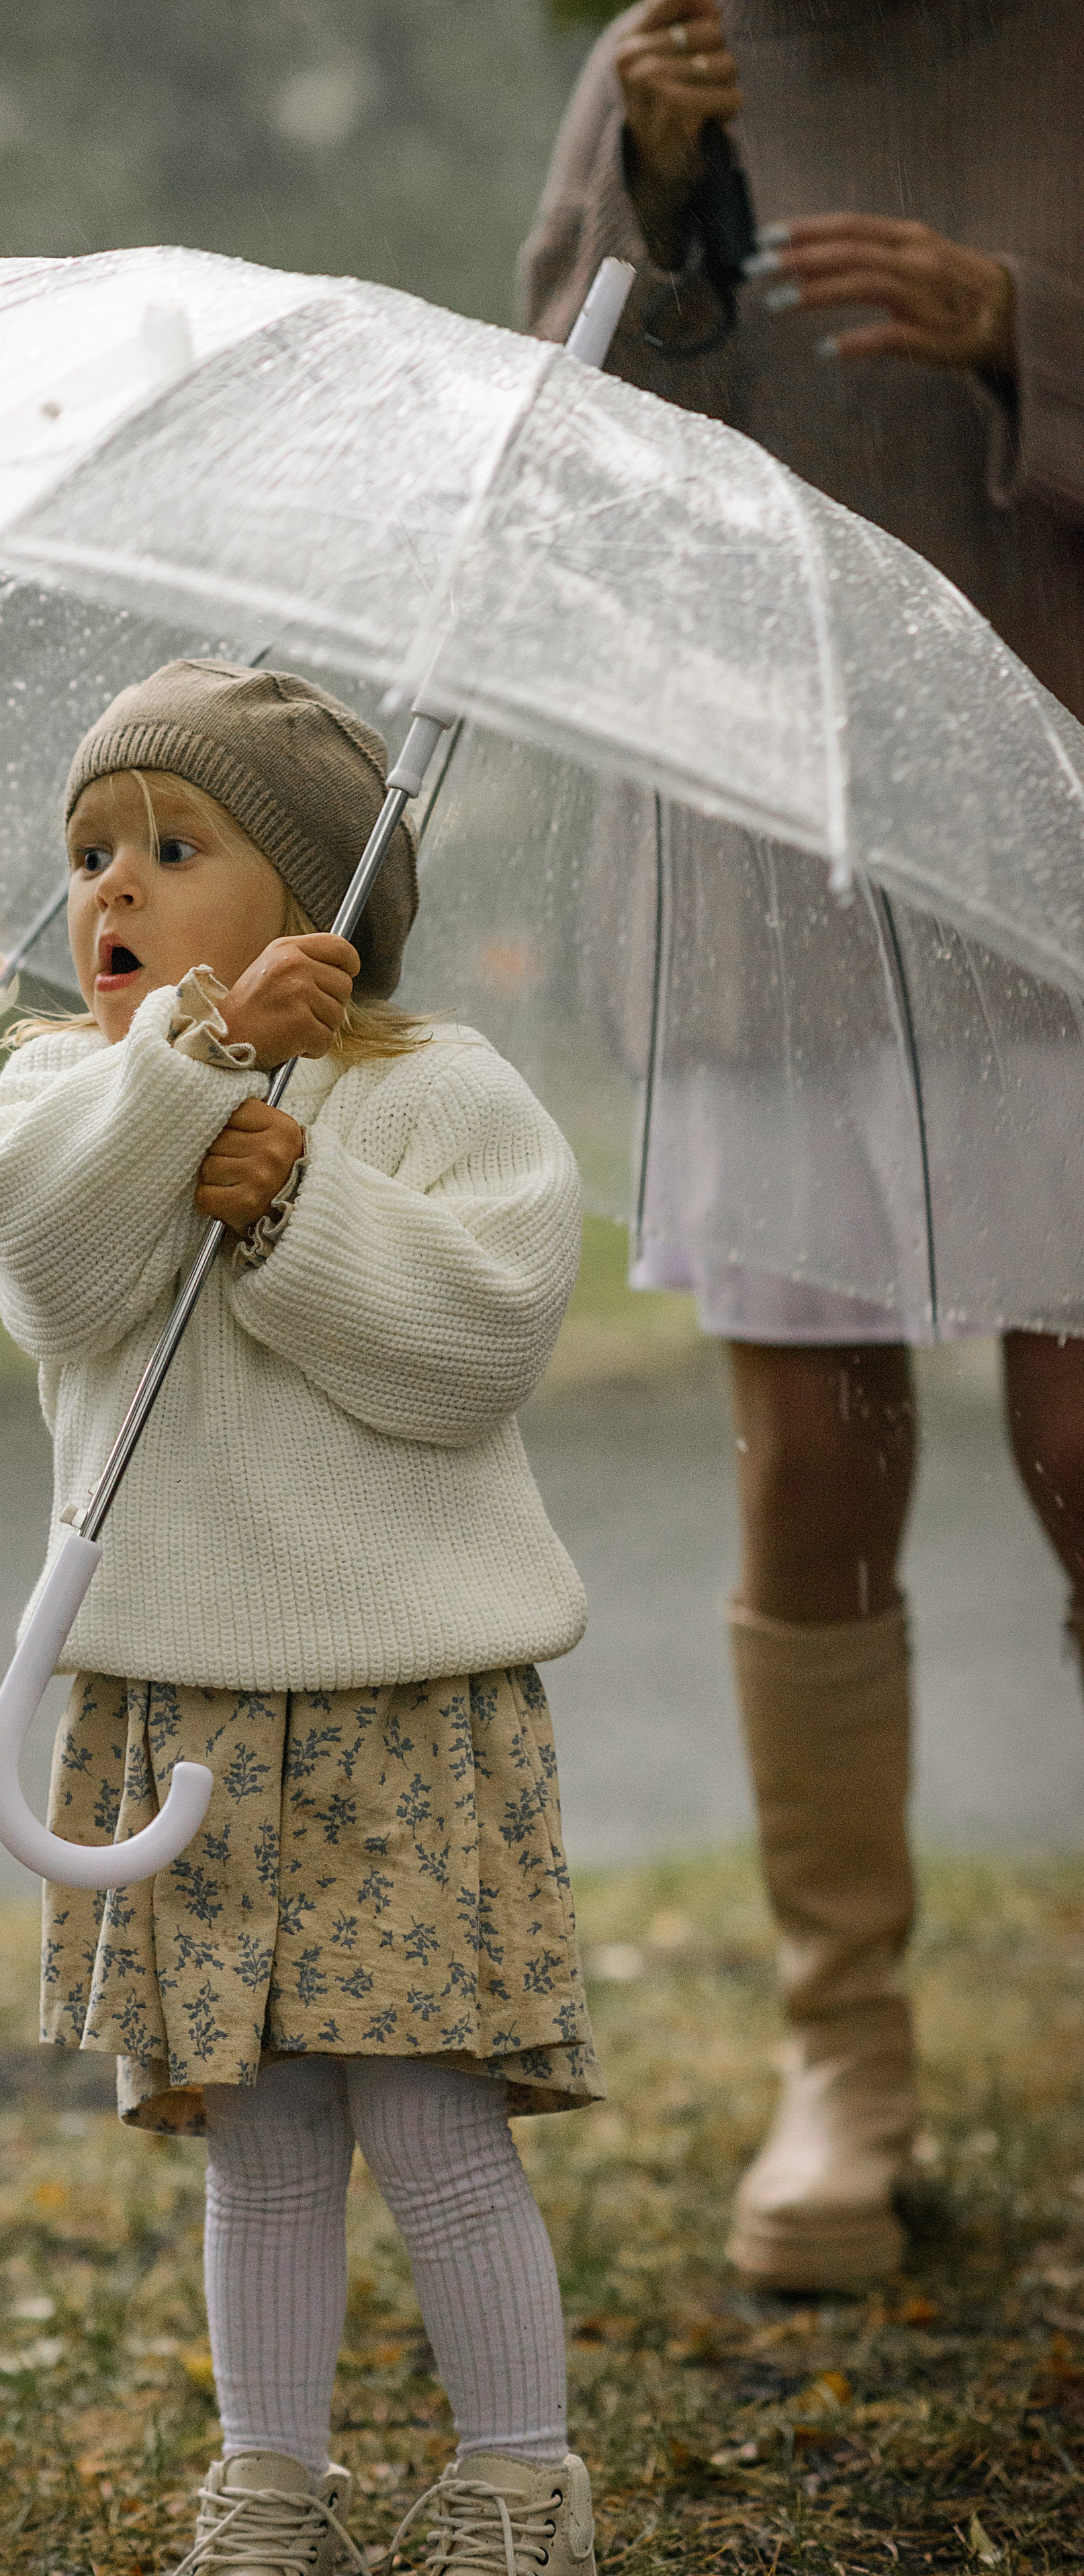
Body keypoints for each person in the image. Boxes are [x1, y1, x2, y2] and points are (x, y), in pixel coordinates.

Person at [521, 0, 1084, 2293]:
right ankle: (843, 2062)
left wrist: (1023, 335)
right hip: (764, 834)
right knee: (816, 1465)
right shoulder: (676, 48)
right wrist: (658, 206)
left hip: (1058, 828)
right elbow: (538, 453)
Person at [0, 662, 602, 2576]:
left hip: (401, 1695)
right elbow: (64, 1267)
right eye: (88, 852)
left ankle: (518, 2471)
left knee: (430, 2118)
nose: (111, 890)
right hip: (184, 1702)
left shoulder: (440, 1096)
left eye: (173, 843)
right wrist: (197, 1073)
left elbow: (472, 1350)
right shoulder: (54, 1097)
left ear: (322, 888)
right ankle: (274, 2480)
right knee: (263, 2136)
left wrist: (294, 1200)